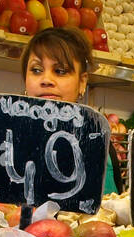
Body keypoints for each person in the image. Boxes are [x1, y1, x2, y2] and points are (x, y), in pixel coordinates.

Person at [19, 27, 120, 195]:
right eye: (36, 70)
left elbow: (107, 214)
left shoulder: (96, 144)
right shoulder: (4, 138)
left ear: (82, 82)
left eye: (60, 71)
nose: (46, 80)